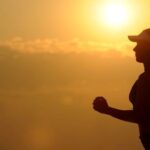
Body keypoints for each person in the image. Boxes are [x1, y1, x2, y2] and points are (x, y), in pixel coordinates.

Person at [93, 28, 150, 150]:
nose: (134, 49)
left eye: (140, 44)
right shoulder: (144, 78)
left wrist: (107, 110)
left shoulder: (147, 80)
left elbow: (142, 117)